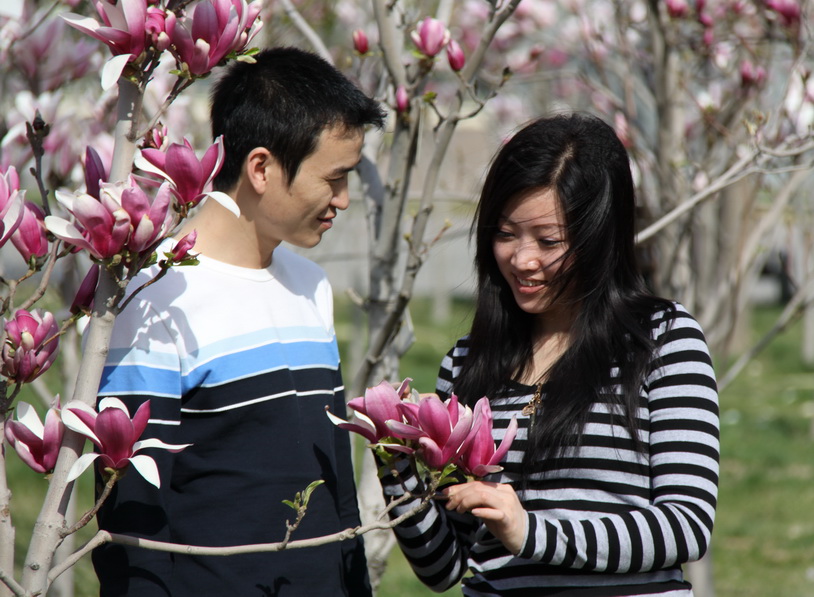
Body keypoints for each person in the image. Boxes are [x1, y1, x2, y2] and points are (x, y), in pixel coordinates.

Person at [379, 113, 719, 596]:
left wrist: (530, 533)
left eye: (549, 241)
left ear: (598, 237)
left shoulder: (662, 339)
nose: (522, 259)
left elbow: (686, 525)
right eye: (504, 233)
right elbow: (443, 566)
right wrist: (394, 463)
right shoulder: (467, 363)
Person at [93, 47, 385, 596]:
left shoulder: (309, 286)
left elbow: (335, 477)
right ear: (261, 167)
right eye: (335, 178)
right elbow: (131, 515)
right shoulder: (160, 294)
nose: (344, 199)